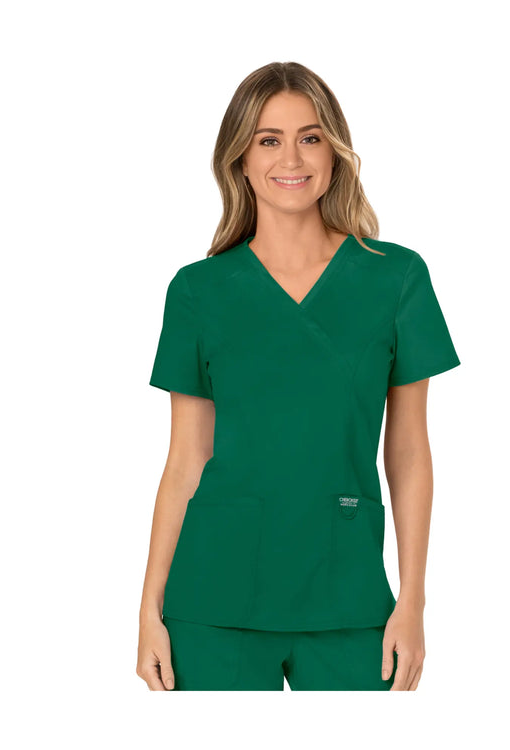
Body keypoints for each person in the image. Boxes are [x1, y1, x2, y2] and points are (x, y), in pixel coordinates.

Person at [136, 61, 461, 691]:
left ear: (334, 152)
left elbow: (408, 451)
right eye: (268, 140)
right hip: (213, 600)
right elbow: (185, 460)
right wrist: (150, 609)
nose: (292, 158)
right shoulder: (198, 291)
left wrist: (413, 601)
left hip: (350, 595)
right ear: (240, 159)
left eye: (310, 137)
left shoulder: (395, 278)